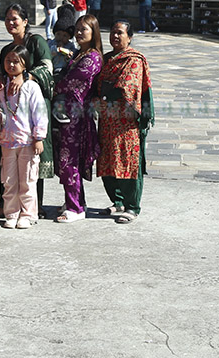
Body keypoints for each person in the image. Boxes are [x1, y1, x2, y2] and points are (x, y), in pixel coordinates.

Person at [0, 3, 56, 218]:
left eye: (15, 19)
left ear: (25, 21)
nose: (10, 23)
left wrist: (26, 76)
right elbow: (2, 73)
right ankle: (9, 206)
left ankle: (35, 206)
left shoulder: (37, 42)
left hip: (34, 107)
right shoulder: (6, 50)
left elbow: (47, 69)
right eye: (7, 19)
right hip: (11, 113)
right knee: (10, 162)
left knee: (32, 158)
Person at [93, 19, 152, 224]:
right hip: (107, 121)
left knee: (128, 162)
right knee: (108, 161)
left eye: (120, 33)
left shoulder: (134, 59)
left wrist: (106, 94)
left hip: (126, 123)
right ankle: (117, 201)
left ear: (130, 37)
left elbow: (127, 86)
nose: (115, 36)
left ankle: (132, 206)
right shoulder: (106, 59)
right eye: (112, 32)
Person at [0, 45, 48, 229]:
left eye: (16, 61)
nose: (11, 65)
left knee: (27, 179)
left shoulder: (31, 86)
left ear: (25, 64)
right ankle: (11, 212)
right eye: (8, 61)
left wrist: (39, 137)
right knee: (9, 179)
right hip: (7, 140)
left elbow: (40, 113)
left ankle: (28, 213)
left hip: (27, 141)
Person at [52, 13, 102, 223]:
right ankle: (75, 200)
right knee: (66, 160)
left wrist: (53, 85)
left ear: (94, 33)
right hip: (66, 115)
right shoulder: (80, 54)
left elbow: (69, 82)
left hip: (76, 117)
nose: (79, 33)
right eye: (78, 29)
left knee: (70, 160)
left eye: (84, 30)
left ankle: (75, 207)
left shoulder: (93, 58)